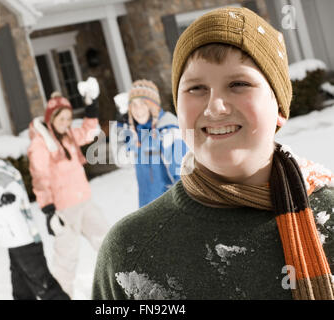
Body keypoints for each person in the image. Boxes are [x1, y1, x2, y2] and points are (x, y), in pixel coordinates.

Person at [92, 7, 334, 300]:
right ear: (178, 109)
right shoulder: (129, 253)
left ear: (279, 109)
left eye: (238, 84)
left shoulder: (329, 217)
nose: (215, 106)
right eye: (196, 88)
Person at [28, 77, 109, 299]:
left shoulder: (69, 135)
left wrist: (91, 106)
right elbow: (40, 178)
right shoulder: (40, 144)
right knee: (66, 260)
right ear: (51, 118)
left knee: (107, 242)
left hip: (85, 202)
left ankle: (124, 286)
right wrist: (48, 210)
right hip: (64, 211)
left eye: (68, 117)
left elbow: (89, 131)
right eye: (62, 118)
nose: (66, 122)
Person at [0, 131, 69, 300]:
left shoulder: (0, 174)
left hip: (24, 242)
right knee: (22, 292)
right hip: (13, 243)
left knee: (45, 288)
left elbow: (10, 187)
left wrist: (9, 197)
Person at [110, 79, 188, 208]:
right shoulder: (138, 131)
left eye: (143, 104)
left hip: (169, 206)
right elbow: (122, 160)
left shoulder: (167, 129)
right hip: (147, 205)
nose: (137, 109)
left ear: (153, 106)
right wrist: (120, 126)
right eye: (133, 105)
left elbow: (182, 174)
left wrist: (178, 207)